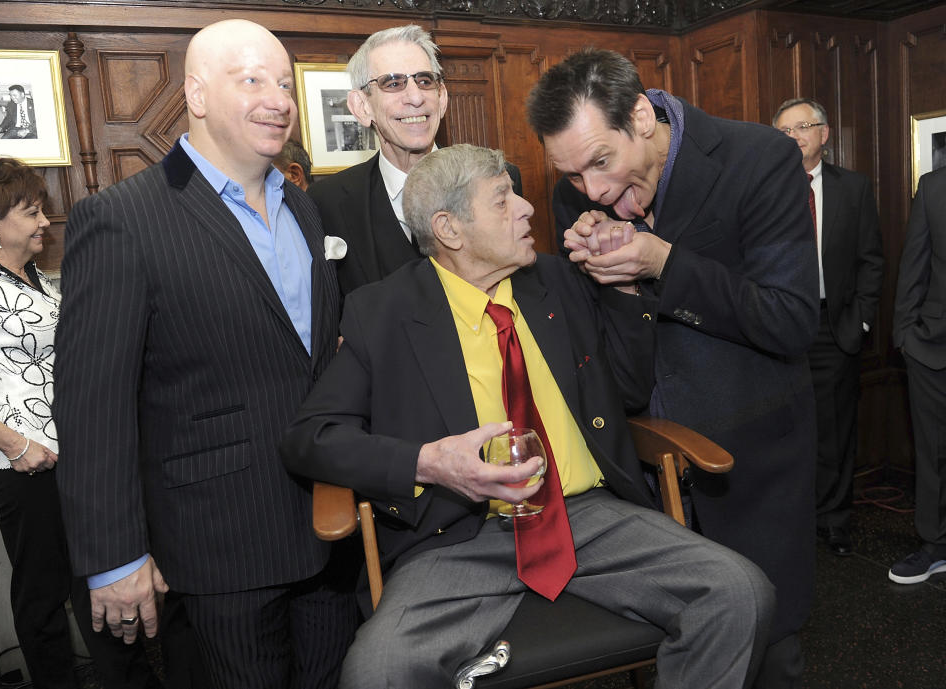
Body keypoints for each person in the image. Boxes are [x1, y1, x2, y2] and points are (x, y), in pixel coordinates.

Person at [283, 143, 775, 689]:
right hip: (458, 538)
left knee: (739, 591)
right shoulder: (384, 310)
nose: (527, 208)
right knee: (378, 670)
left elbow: (630, 392)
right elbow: (313, 437)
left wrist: (627, 287)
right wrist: (429, 463)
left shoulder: (558, 282)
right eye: (503, 199)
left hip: (587, 517)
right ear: (449, 229)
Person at [53, 19, 353, 689]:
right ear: (195, 91)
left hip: (327, 532)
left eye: (284, 83)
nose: (278, 99)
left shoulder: (302, 210)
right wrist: (113, 557)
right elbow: (91, 406)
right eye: (252, 80)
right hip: (219, 546)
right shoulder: (122, 220)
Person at [527, 49, 820, 688]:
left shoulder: (758, 158)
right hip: (640, 474)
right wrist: (606, 280)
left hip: (747, 465)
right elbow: (597, 338)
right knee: (662, 655)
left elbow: (791, 320)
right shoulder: (572, 194)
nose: (594, 192)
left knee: (767, 651)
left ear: (640, 113)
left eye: (602, 162)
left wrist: (663, 263)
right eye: (573, 175)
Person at [0, 157, 160, 689]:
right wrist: (17, 446)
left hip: (73, 457)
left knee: (98, 577)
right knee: (42, 593)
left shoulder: (36, 277)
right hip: (23, 466)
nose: (45, 222)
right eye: (31, 212)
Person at [306, 24, 521, 297]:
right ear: (362, 107)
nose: (416, 98)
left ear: (441, 98)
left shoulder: (497, 180)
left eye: (425, 81)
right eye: (393, 83)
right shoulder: (327, 201)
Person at [771, 98, 884, 557]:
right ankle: (790, 521)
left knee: (835, 431)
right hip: (777, 325)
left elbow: (871, 261)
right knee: (783, 429)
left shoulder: (852, 188)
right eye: (783, 131)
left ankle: (834, 521)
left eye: (803, 126)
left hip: (832, 325)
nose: (794, 136)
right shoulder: (765, 189)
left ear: (824, 133)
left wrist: (859, 320)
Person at [890, 166, 946, 584]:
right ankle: (935, 545)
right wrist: (905, 338)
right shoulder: (933, 187)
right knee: (934, 453)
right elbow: (914, 266)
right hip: (932, 348)